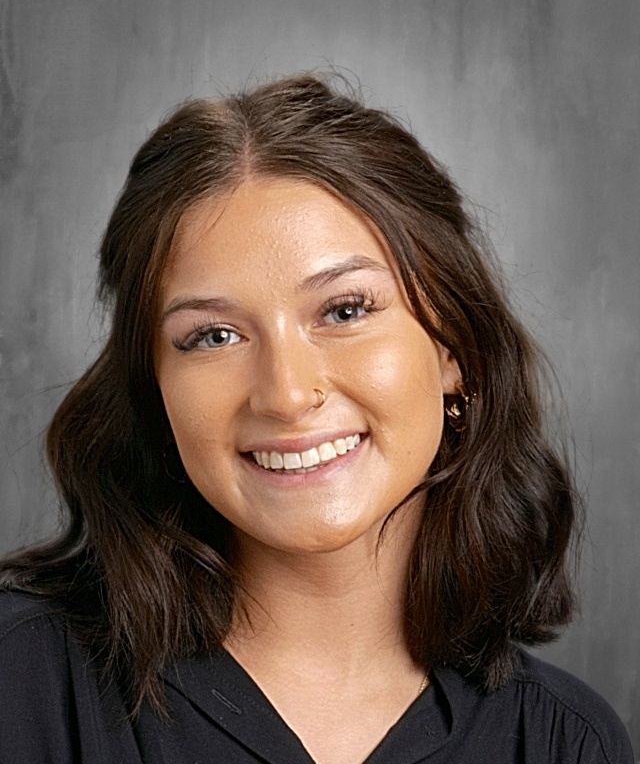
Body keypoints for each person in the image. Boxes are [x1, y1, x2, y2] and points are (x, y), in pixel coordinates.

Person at [0, 73, 633, 764]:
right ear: (155, 389)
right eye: (213, 336)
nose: (286, 393)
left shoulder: (564, 741)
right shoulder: (23, 681)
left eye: (344, 310)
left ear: (454, 348)